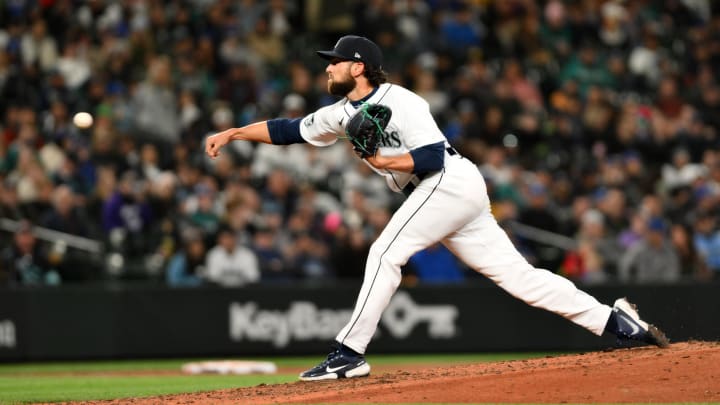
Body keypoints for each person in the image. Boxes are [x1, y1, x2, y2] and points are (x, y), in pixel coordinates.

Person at [205, 35, 669, 382]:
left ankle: (349, 352)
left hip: (446, 180)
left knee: (385, 253)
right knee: (520, 278)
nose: (328, 68)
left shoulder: (400, 99)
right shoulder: (339, 115)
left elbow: (429, 154)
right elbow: (286, 130)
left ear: (360, 66)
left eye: (336, 62)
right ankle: (615, 322)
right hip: (440, 197)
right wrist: (232, 134)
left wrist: (387, 160)